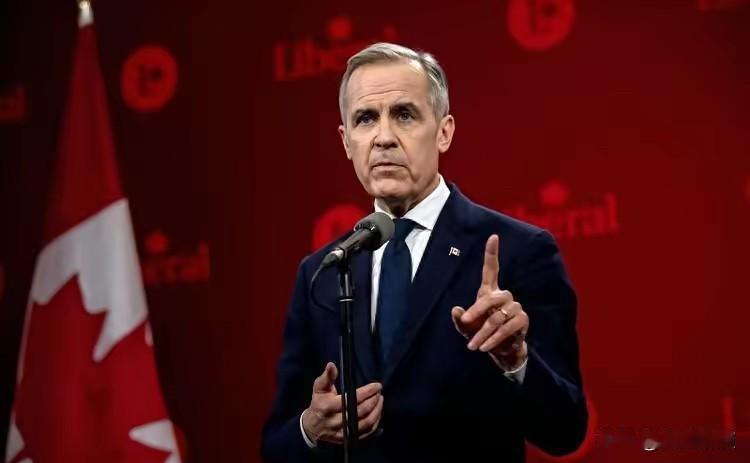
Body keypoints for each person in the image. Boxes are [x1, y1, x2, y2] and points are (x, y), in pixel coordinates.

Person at [261, 42, 587, 462]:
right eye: (365, 119)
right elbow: (275, 445)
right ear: (346, 142)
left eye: (404, 114)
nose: (383, 138)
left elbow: (566, 429)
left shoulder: (519, 251)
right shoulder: (322, 272)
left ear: (444, 131)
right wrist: (310, 429)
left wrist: (516, 360)